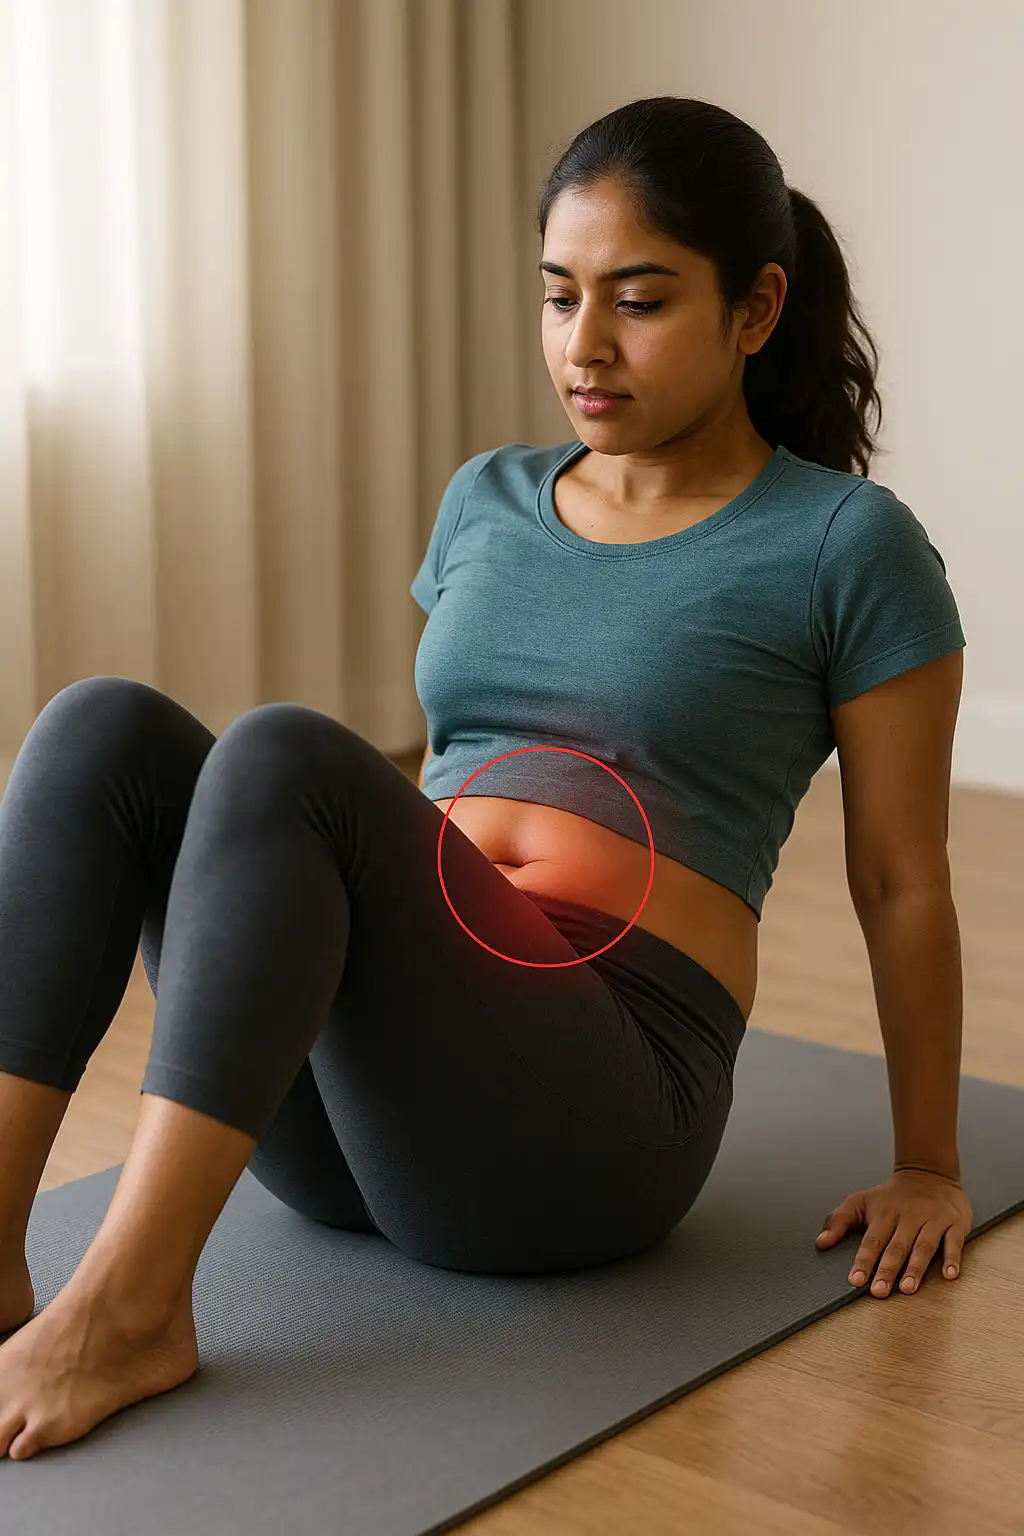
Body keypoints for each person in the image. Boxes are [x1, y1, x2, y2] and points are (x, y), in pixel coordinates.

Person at [0, 95, 970, 1463]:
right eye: (558, 296)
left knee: (286, 752)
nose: (584, 345)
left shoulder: (846, 545)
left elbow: (902, 875)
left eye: (637, 301)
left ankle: (131, 1305)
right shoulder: (489, 499)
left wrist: (929, 1162)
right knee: (102, 729)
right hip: (376, 1115)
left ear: (756, 309)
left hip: (590, 1120)